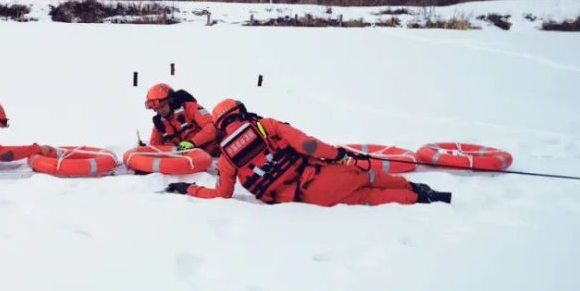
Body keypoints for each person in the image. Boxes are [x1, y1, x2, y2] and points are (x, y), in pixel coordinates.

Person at [165, 99, 451, 206]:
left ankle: (416, 197)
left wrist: (189, 189)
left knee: (367, 197)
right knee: (369, 176)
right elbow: (309, 146)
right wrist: (339, 154)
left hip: (306, 197)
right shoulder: (267, 126)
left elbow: (222, 194)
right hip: (322, 173)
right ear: (241, 111)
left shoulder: (228, 157)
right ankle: (421, 192)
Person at [143, 83, 220, 156]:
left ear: (171, 101)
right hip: (185, 161)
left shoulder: (190, 108)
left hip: (213, 155)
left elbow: (212, 128)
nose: (160, 111)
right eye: (156, 109)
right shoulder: (159, 124)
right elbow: (155, 149)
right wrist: (145, 150)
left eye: (162, 106)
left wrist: (192, 143)